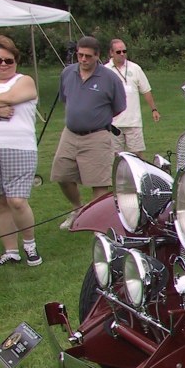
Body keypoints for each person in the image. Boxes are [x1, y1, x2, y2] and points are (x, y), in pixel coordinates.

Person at [50, 35, 126, 230]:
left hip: (97, 135)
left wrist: (95, 117)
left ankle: (97, 224)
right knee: (62, 175)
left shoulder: (109, 78)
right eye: (80, 55)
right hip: (70, 133)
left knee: (99, 183)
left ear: (97, 56)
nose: (83, 60)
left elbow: (119, 106)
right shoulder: (67, 73)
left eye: (88, 56)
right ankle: (77, 209)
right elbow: (66, 99)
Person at [0, 35, 42, 266]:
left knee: (17, 200)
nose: (4, 64)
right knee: (1, 201)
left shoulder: (24, 81)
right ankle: (10, 250)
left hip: (19, 147)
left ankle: (29, 244)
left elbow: (15, 97)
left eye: (9, 60)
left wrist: (7, 100)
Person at [105, 39, 160, 160]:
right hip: (113, 123)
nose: (122, 54)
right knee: (115, 158)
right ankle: (118, 179)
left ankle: (141, 178)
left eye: (124, 51)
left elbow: (146, 90)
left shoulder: (135, 68)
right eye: (118, 52)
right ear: (111, 53)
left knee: (138, 156)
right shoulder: (105, 71)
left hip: (133, 122)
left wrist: (154, 109)